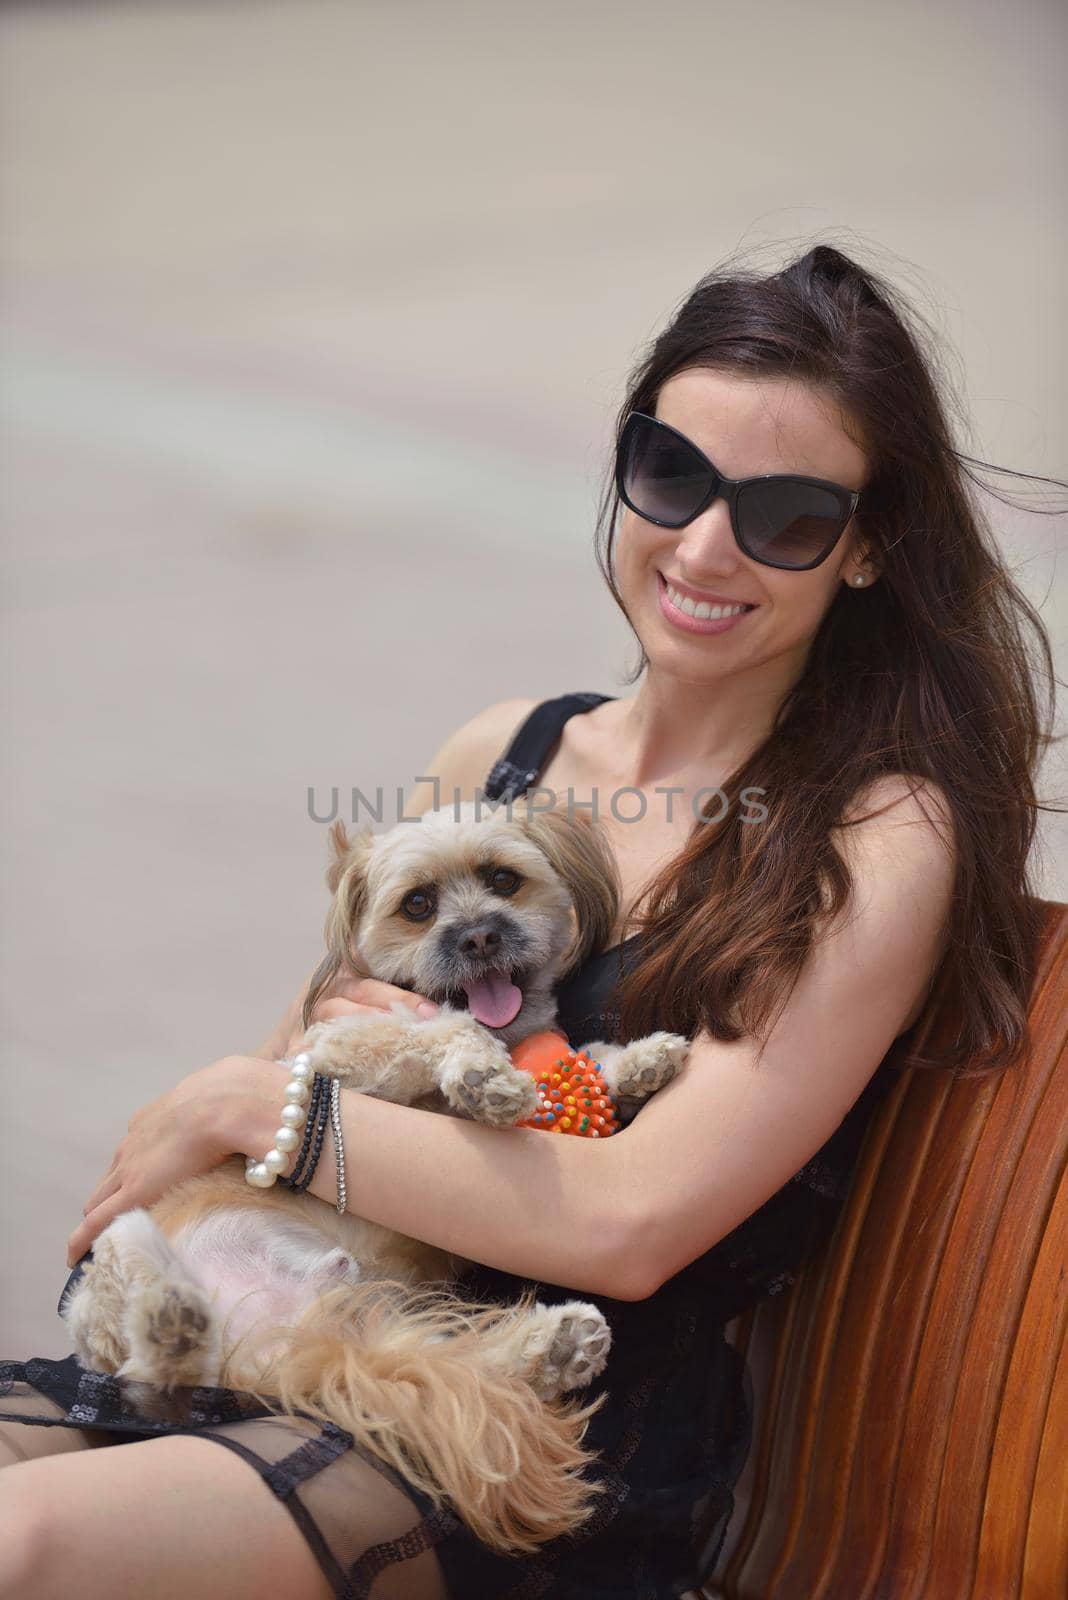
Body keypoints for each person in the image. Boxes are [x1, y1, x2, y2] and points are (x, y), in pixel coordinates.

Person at [0, 243, 1056, 1600]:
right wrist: (258, 1118)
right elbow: (313, 1056)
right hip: (290, 1342)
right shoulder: (504, 752)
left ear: (869, 549)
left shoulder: (872, 833)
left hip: (542, 1443)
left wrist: (251, 1110)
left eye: (786, 515)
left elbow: (633, 1217)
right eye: (672, 475)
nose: (703, 544)